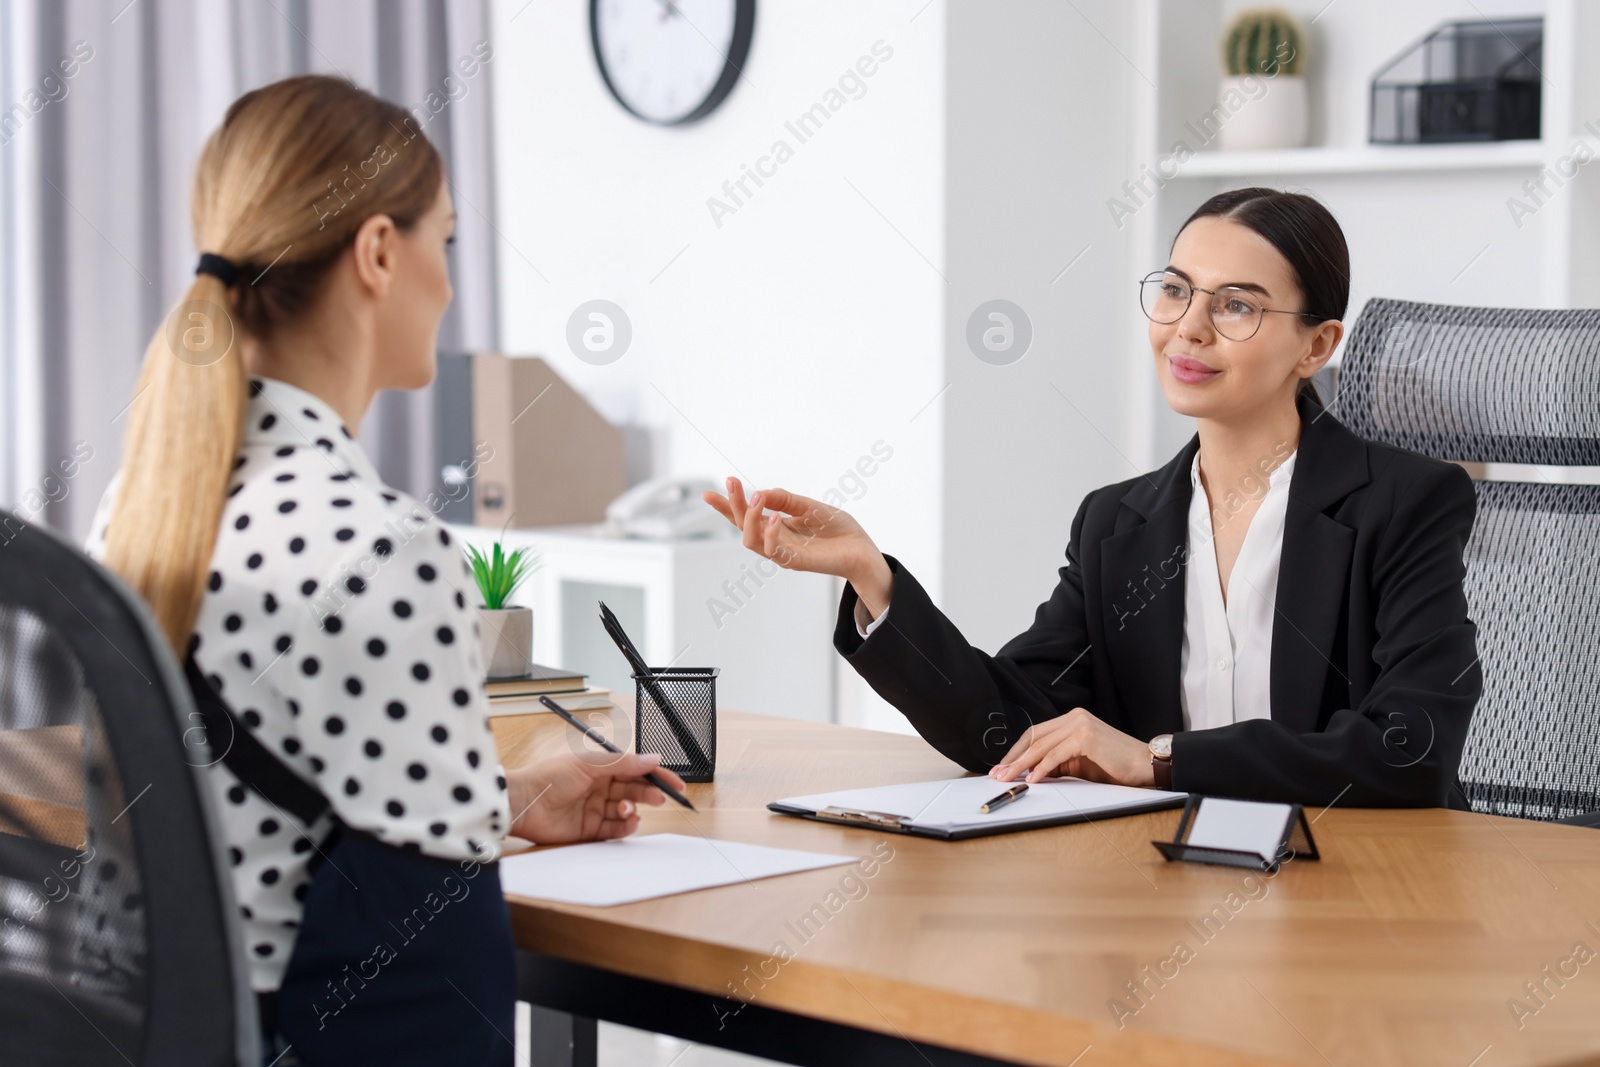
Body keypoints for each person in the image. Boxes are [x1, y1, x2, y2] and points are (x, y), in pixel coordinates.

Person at [87, 75, 682, 1066]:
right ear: (375, 252)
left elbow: (278, 825)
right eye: (441, 243)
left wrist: (507, 798)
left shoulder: (142, 504)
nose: (447, 283)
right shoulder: (387, 549)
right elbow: (440, 987)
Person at [705, 187, 1482, 809]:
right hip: (1162, 890)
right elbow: (1006, 723)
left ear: (1316, 345)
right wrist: (873, 577)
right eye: (1176, 291)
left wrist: (1157, 760)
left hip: (1356, 897)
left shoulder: (1406, 502)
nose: (1189, 330)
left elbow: (1409, 747)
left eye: (1237, 305)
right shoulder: (1119, 523)